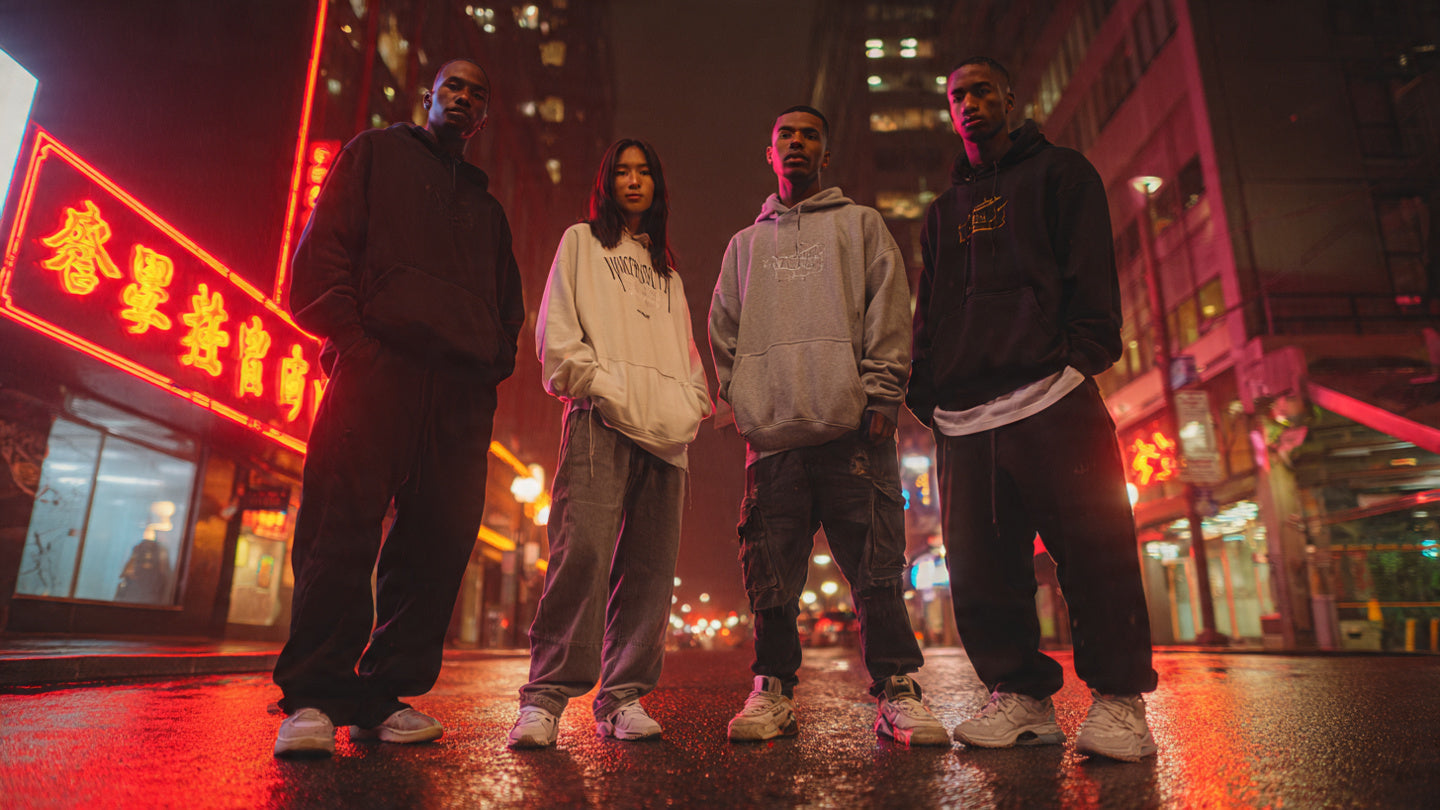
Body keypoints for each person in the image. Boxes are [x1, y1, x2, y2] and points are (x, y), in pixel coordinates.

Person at [908, 56, 1159, 762]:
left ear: (1010, 99)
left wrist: (1083, 357)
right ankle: (1021, 699)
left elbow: (1091, 277)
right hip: (965, 415)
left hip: (1052, 395)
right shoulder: (942, 212)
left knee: (1094, 553)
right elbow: (928, 312)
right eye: (957, 95)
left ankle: (1119, 703)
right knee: (984, 571)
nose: (969, 103)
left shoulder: (1062, 175)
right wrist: (925, 389)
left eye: (982, 90)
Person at [271, 58, 523, 758]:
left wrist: (484, 370)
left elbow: (509, 312)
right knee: (339, 527)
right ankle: (315, 695)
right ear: (431, 96)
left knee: (438, 542)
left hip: (459, 392)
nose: (465, 96)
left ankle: (385, 694)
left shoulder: (488, 210)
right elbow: (324, 253)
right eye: (455, 85)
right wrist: (355, 342)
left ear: (482, 116)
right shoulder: (375, 153)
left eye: (478, 91)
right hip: (376, 367)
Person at [708, 106, 947, 747]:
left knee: (876, 573)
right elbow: (723, 331)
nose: (796, 143)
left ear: (824, 152)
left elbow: (889, 309)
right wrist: (745, 404)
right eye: (785, 133)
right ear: (770, 151)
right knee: (771, 577)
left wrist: (881, 395)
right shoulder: (745, 246)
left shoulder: (861, 226)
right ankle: (774, 690)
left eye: (809, 134)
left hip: (853, 431)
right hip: (775, 439)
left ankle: (897, 688)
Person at [507, 139, 713, 749]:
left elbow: (686, 356)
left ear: (657, 186)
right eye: (621, 172)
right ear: (606, 183)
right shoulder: (580, 242)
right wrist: (596, 383)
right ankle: (544, 697)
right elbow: (556, 330)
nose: (633, 181)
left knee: (650, 570)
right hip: (598, 418)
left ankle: (623, 697)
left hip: (667, 438)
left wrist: (691, 405)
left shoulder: (666, 271)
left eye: (643, 171)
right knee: (583, 554)